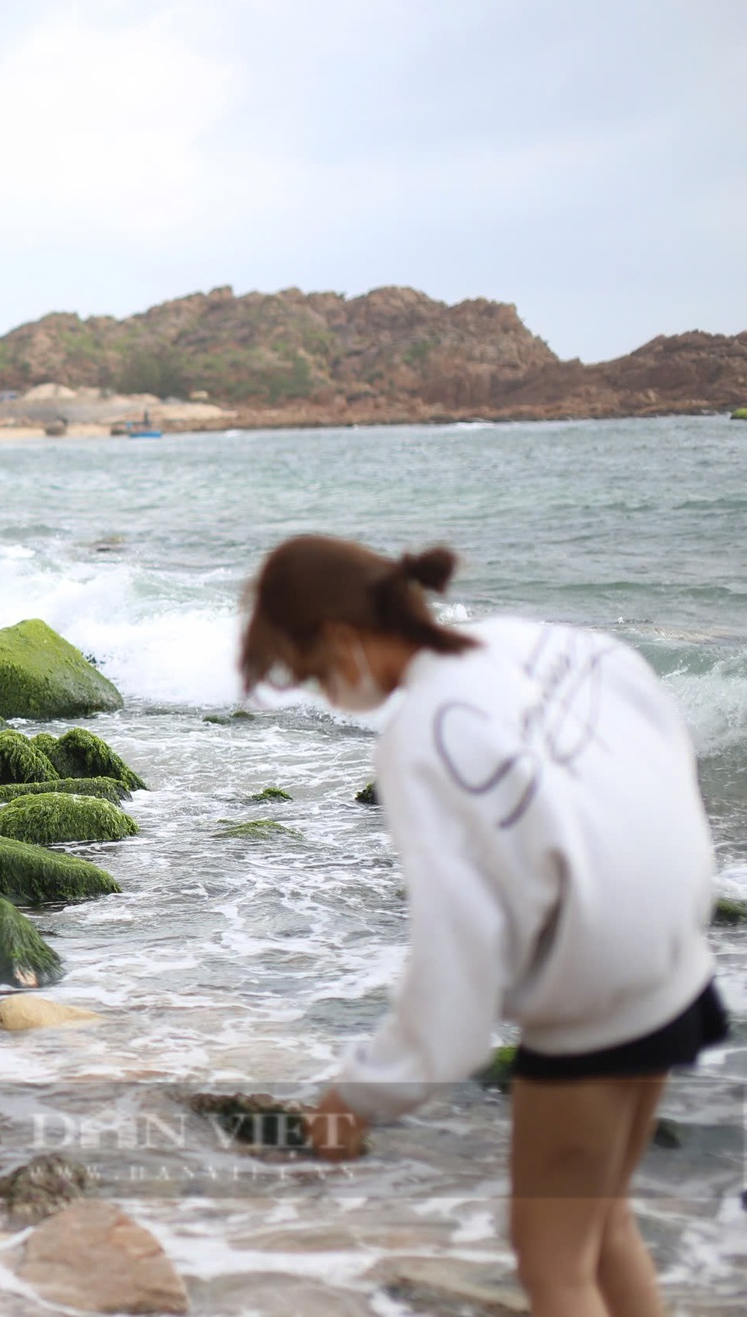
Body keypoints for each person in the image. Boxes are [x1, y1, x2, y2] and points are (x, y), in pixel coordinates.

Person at [239, 535, 728, 1317]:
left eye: (314, 676)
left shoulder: (422, 736)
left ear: (338, 638)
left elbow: (456, 974)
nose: (327, 695)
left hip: (592, 1006)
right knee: (602, 1226)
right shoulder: (548, 642)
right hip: (675, 966)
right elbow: (667, 757)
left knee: (552, 1268)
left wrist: (359, 1094)